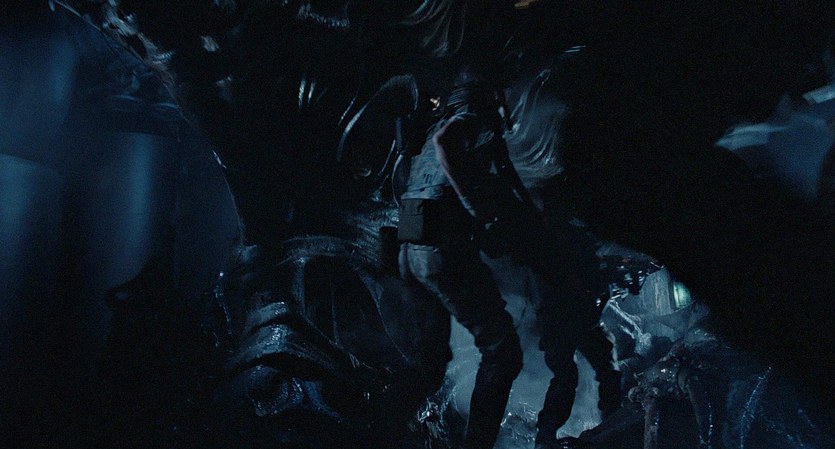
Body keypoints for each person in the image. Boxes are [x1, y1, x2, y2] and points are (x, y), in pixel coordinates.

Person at [397, 68, 524, 449]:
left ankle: (385, 427)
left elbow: (410, 187)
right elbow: (447, 143)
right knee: (502, 351)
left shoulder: (424, 140)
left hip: (411, 250)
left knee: (431, 359)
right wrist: (481, 213)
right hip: (438, 251)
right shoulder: (466, 121)